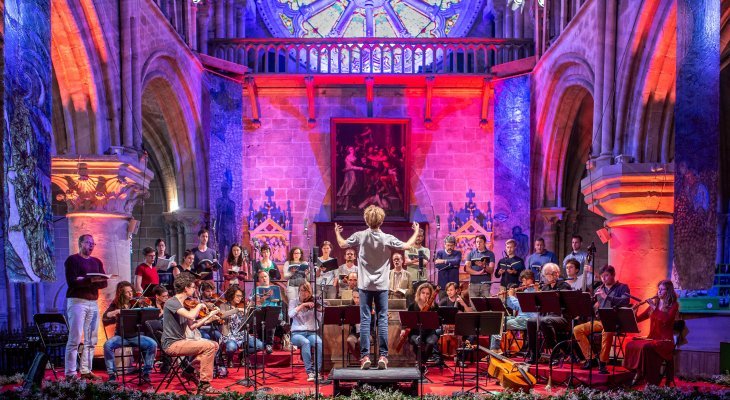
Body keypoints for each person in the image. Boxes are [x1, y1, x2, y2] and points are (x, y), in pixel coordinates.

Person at [334, 204, 420, 370]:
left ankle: (365, 357)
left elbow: (342, 244)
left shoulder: (360, 235)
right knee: (382, 321)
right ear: (381, 221)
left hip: (365, 286)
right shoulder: (386, 237)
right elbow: (407, 246)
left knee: (365, 322)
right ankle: (383, 356)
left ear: (366, 220)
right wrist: (416, 231)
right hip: (381, 286)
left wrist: (337, 232)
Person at [161, 273, 222, 395]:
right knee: (209, 346)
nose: (194, 290)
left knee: (214, 344)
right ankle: (204, 385)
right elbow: (191, 315)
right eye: (193, 287)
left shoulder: (185, 304)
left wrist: (210, 315)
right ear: (186, 288)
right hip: (171, 344)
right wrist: (200, 305)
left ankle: (189, 369)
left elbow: (193, 326)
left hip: (181, 341)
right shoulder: (172, 302)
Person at [64, 234, 108, 380]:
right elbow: (72, 282)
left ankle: (86, 370)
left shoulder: (96, 261)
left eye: (93, 244)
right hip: (77, 301)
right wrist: (91, 280)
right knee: (75, 337)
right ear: (80, 243)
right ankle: (70, 373)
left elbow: (104, 283)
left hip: (92, 302)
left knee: (91, 339)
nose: (91, 246)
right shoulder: (72, 260)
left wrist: (87, 280)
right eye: (88, 243)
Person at [573, 265, 630, 374]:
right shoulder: (599, 289)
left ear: (613, 275)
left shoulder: (622, 287)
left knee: (607, 332)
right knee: (577, 329)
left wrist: (606, 297)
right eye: (602, 276)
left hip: (615, 321)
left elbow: (625, 301)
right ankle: (591, 359)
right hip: (600, 320)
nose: (604, 278)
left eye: (607, 276)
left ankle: (603, 363)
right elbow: (595, 306)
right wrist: (589, 302)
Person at [624, 279, 679, 386]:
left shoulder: (673, 305)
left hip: (665, 340)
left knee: (646, 348)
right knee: (631, 344)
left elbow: (666, 320)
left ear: (668, 291)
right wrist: (635, 310)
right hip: (652, 337)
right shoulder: (655, 304)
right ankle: (637, 372)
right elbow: (638, 320)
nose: (659, 291)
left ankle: (649, 378)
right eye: (658, 289)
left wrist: (654, 307)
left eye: (662, 289)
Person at [102, 281, 157, 383]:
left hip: (135, 336)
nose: (131, 294)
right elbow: (106, 316)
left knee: (152, 344)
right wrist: (116, 311)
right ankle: (111, 374)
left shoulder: (136, 303)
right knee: (107, 345)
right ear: (122, 293)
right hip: (120, 336)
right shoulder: (116, 304)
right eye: (128, 292)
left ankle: (146, 373)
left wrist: (146, 308)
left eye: (131, 291)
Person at [526, 263, 571, 364]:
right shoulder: (545, 288)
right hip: (547, 317)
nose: (546, 277)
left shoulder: (564, 286)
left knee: (545, 320)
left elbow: (566, 305)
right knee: (531, 321)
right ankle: (534, 354)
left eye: (548, 274)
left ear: (556, 274)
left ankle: (556, 353)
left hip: (562, 317)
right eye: (545, 274)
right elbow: (541, 307)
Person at [489, 270, 538, 352]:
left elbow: (522, 305)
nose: (523, 283)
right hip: (519, 319)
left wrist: (511, 296)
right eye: (523, 280)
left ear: (531, 279)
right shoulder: (525, 291)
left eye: (525, 280)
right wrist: (507, 297)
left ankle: (495, 349)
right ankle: (495, 348)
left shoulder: (534, 292)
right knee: (498, 320)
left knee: (500, 324)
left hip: (527, 320)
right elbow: (516, 307)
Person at [219, 285, 264, 367]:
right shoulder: (223, 306)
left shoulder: (243, 305)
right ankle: (230, 359)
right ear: (231, 295)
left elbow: (246, 322)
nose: (240, 298)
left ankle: (242, 355)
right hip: (230, 335)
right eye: (238, 296)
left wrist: (248, 312)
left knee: (260, 346)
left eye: (241, 296)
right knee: (231, 347)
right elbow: (222, 315)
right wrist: (236, 310)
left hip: (242, 334)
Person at [288, 282, 324, 382]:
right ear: (299, 291)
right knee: (305, 342)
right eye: (302, 291)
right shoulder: (293, 301)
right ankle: (310, 372)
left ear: (310, 292)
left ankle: (317, 372)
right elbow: (291, 314)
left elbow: (320, 320)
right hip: (297, 333)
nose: (304, 293)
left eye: (307, 291)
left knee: (319, 343)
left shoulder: (313, 302)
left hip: (311, 333)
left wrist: (319, 310)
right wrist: (303, 305)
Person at [405, 283, 440, 373]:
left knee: (431, 341)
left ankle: (422, 363)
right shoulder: (412, 306)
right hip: (415, 332)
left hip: (429, 332)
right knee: (417, 341)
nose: (425, 295)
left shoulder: (434, 306)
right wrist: (402, 330)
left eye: (427, 293)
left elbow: (437, 322)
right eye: (423, 293)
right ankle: (420, 364)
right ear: (419, 294)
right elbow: (407, 322)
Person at [254, 270, 283, 353]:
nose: (264, 278)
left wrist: (281, 314)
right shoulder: (256, 289)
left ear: (269, 278)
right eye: (261, 277)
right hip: (261, 311)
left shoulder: (276, 288)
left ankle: (269, 344)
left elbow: (279, 303)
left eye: (265, 276)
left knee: (271, 318)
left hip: (273, 312)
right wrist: (265, 297)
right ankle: (261, 343)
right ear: (259, 279)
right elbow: (257, 302)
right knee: (260, 315)